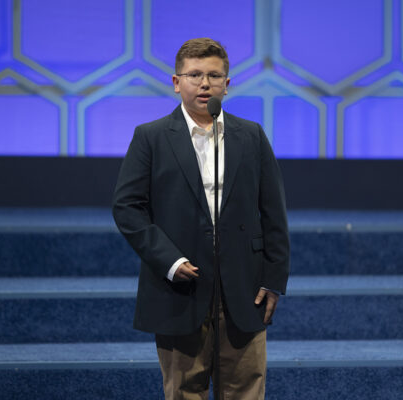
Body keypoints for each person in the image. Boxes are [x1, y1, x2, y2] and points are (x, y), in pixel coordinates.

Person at [112, 38, 290, 400]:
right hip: (181, 287)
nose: (204, 83)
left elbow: (273, 212)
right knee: (183, 391)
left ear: (228, 83)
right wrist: (169, 260)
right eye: (194, 74)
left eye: (214, 75)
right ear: (177, 82)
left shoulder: (251, 136)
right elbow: (127, 207)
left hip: (243, 288)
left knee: (246, 390)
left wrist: (273, 279)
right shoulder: (151, 137)